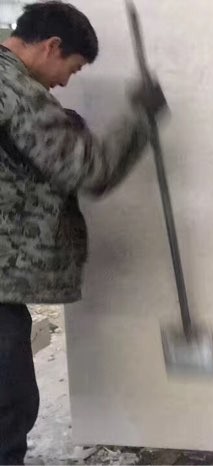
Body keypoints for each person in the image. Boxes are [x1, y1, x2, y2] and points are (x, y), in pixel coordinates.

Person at [0, 2, 166, 463]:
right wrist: (141, 119)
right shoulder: (18, 91)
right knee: (8, 405)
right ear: (52, 46)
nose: (65, 82)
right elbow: (89, 171)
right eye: (71, 68)